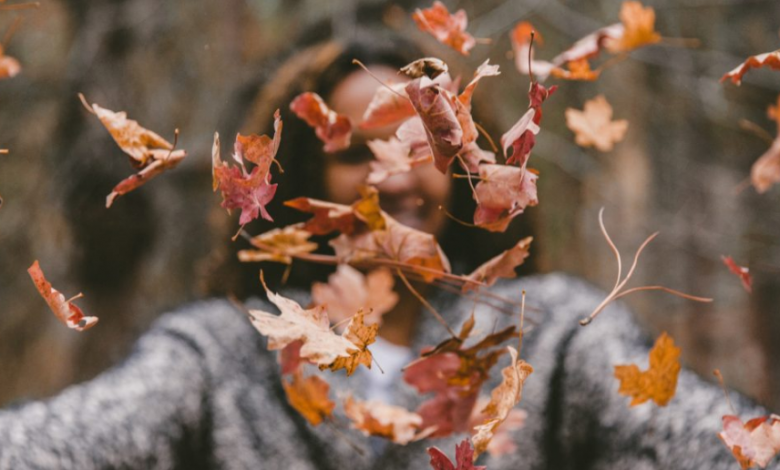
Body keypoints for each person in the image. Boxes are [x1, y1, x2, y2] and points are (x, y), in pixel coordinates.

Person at [0, 20, 769, 470]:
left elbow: (719, 441)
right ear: (303, 177)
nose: (392, 176)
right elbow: (61, 441)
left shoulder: (552, 338)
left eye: (418, 143)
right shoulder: (222, 355)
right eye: (353, 151)